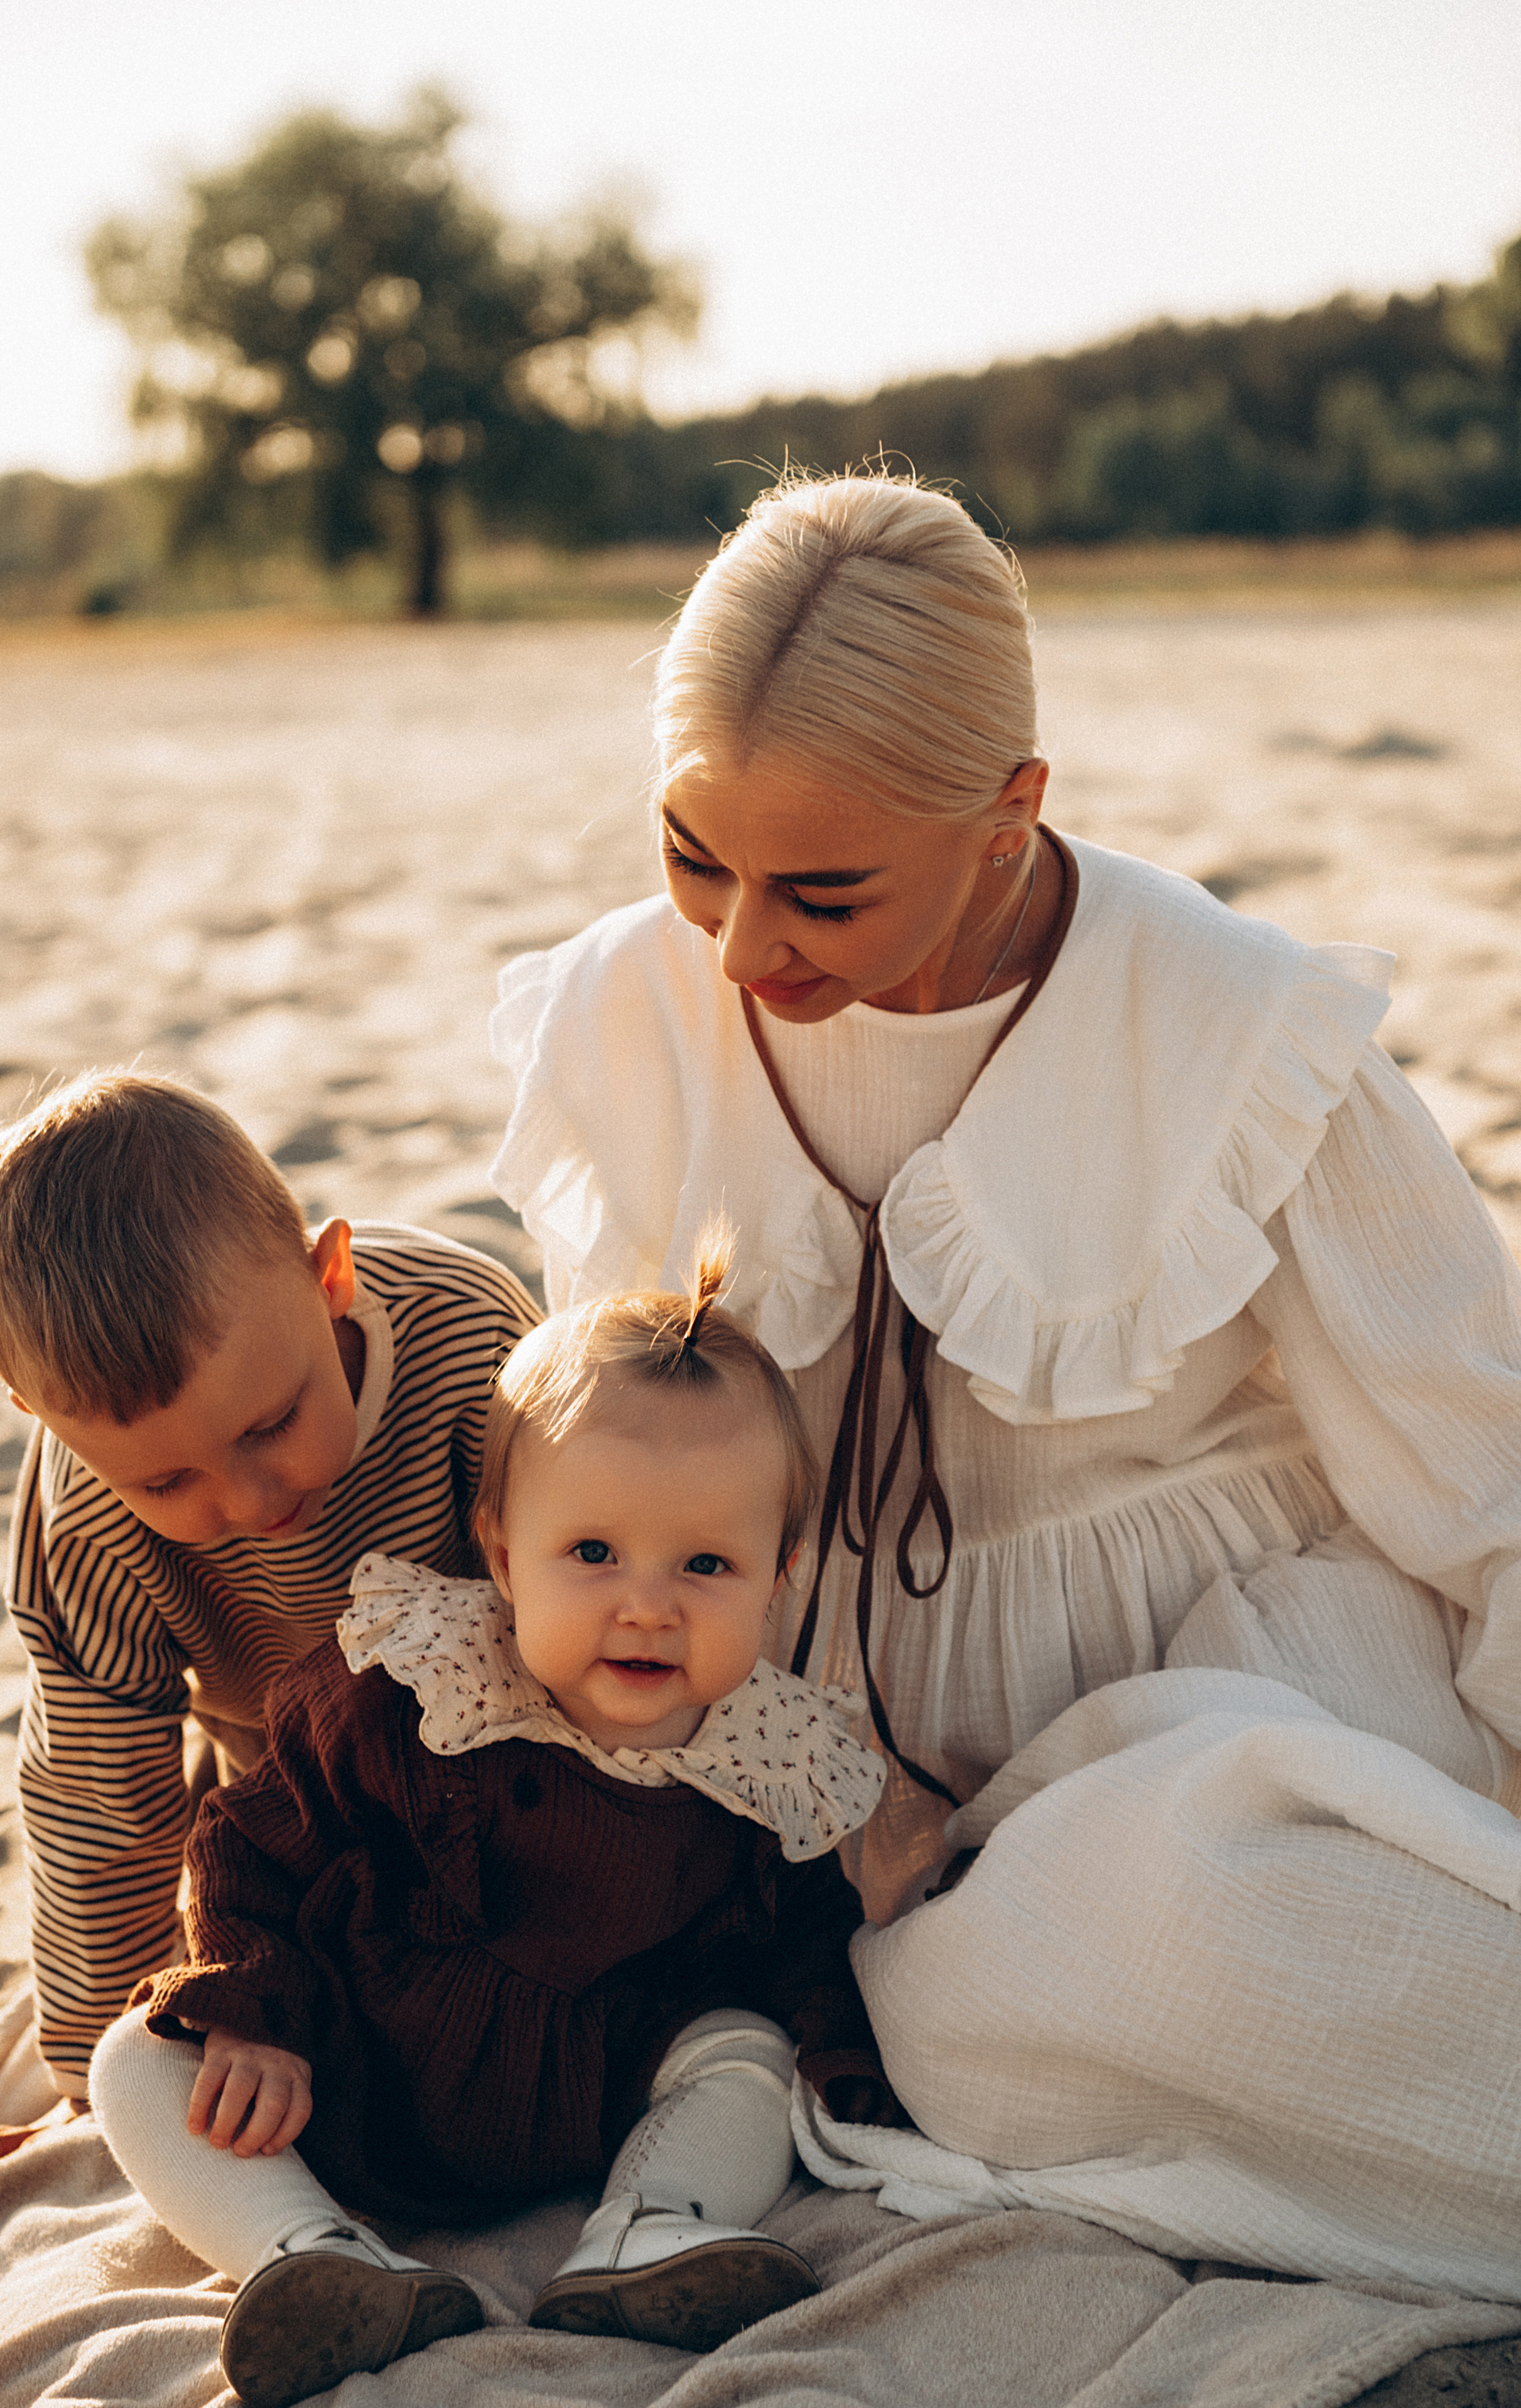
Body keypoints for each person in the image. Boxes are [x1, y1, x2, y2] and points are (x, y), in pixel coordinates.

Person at [487, 469, 1521, 2292]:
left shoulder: (1237, 1027)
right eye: (689, 854)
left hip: (1228, 1681)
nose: (737, 945)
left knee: (1240, 1919)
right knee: (974, 1999)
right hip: (842, 1779)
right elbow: (602, 1463)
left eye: (820, 889)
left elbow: (1483, 1462)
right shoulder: (615, 1023)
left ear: (1009, 813)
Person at [87, 1246, 890, 2408]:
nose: (647, 1603)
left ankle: (651, 2230)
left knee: (745, 2049)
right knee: (141, 2058)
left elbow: (804, 1942)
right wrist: (252, 2014)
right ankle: (309, 2253)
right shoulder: (410, 1690)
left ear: (780, 1578)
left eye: (708, 1563)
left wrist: (842, 2057)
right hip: (349, 2072)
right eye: (594, 1553)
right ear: (506, 1556)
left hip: (602, 2095)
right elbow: (250, 1842)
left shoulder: (771, 1761)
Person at [0, 1071, 539, 2098]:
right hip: (287, 1813)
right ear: (42, 1419)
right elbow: (101, 1792)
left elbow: (591, 1572)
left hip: (515, 1759)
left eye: (270, 1424)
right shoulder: (82, 1511)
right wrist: (95, 2064)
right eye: (166, 1481)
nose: (249, 1497)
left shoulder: (470, 1341)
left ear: (331, 1276)